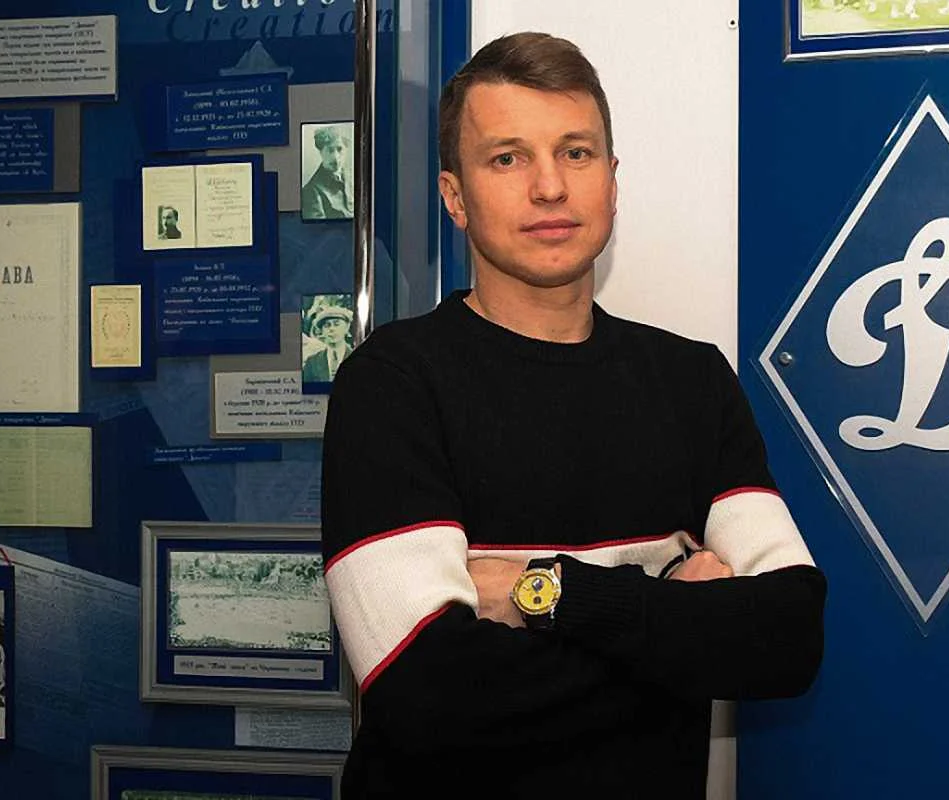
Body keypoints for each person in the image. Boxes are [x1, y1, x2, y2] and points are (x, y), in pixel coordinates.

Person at [320, 32, 826, 797]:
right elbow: (429, 697)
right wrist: (678, 621)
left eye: (576, 153)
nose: (550, 187)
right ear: (455, 196)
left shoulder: (691, 380)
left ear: (612, 181)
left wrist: (547, 593)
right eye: (508, 158)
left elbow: (790, 639)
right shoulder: (392, 385)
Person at [301, 126, 354, 220]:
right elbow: (317, 227)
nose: (336, 157)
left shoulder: (353, 177)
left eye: (340, 149)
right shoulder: (311, 191)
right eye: (330, 150)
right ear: (321, 152)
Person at [301, 300, 354, 384]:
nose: (332, 329)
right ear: (321, 331)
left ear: (347, 327)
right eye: (327, 325)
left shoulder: (357, 357)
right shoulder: (312, 362)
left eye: (336, 324)